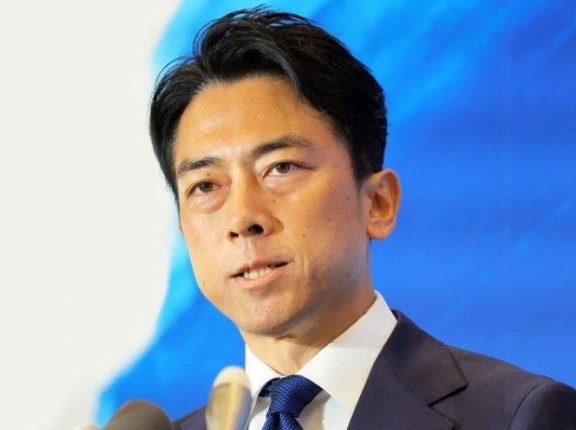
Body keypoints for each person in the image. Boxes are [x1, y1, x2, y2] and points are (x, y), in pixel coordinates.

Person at [149, 7, 576, 429]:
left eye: (281, 168)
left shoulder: (517, 415)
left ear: (377, 203)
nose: (243, 218)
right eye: (205, 186)